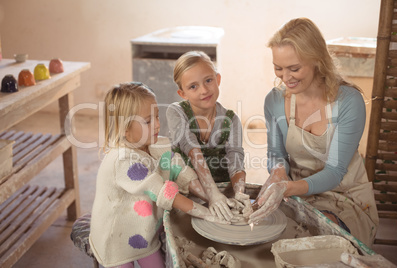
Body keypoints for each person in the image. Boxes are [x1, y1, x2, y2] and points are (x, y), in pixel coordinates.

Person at [249, 18, 379, 247]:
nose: (285, 77)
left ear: (317, 61)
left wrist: (287, 188)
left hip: (345, 196)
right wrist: (278, 172)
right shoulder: (275, 101)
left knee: (318, 240)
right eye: (278, 68)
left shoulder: (348, 101)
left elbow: (335, 171)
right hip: (297, 192)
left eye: (294, 69)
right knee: (260, 234)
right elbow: (275, 153)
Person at [89, 82, 228, 268]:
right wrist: (204, 213)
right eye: (147, 121)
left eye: (156, 116)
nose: (157, 124)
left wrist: (212, 197)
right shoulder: (122, 160)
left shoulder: (157, 145)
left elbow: (179, 168)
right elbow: (161, 192)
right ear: (125, 129)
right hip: (116, 239)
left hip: (145, 234)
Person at [166, 51, 248, 222]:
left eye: (208, 81)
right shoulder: (176, 111)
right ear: (183, 94)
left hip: (221, 189)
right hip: (186, 189)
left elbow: (235, 158)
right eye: (193, 87)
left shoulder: (231, 120)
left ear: (218, 79)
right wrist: (212, 195)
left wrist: (239, 193)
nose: (204, 90)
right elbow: (191, 148)